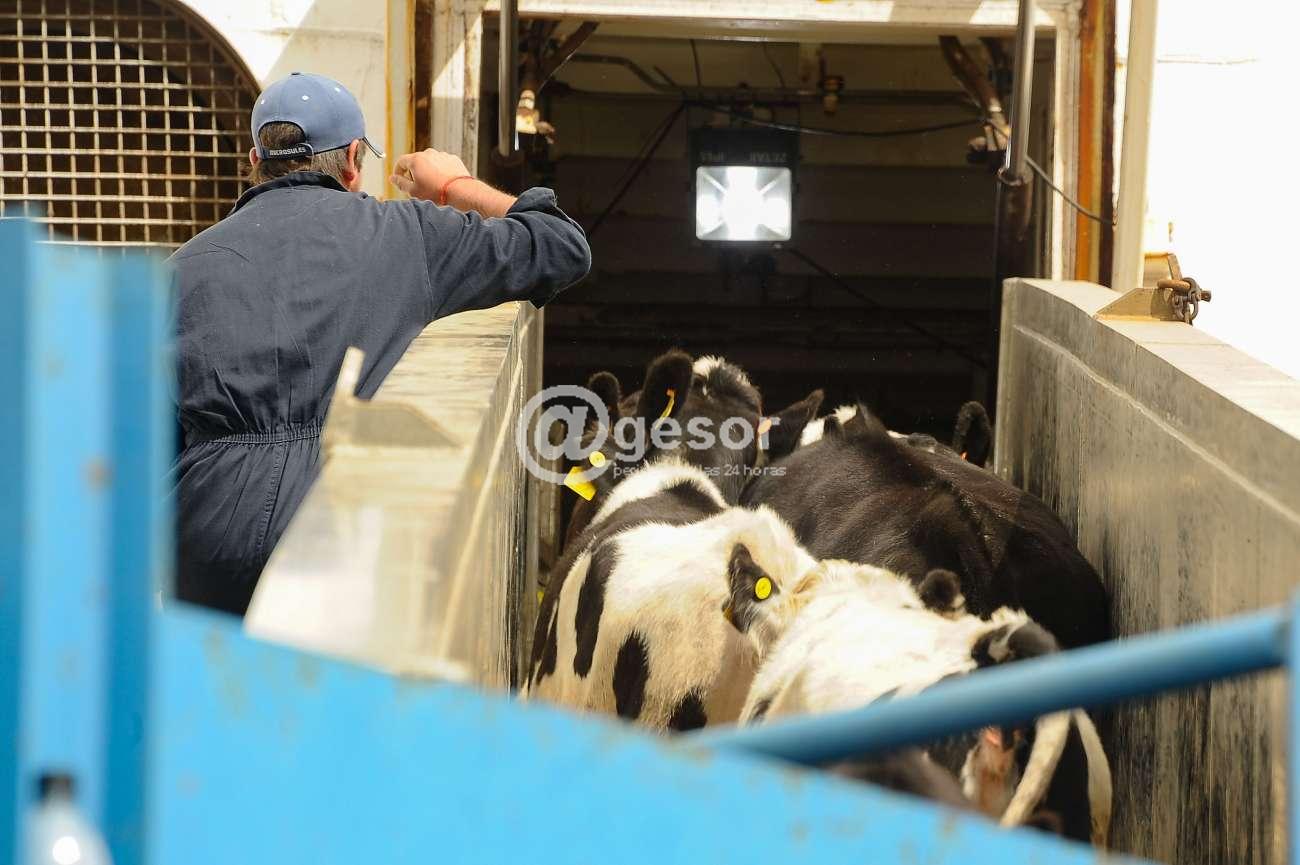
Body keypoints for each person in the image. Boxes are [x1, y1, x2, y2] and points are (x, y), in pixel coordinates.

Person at [170, 72, 591, 615]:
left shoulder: (182, 267)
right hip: (335, 522)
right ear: (352, 159)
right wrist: (454, 185)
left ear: (256, 159)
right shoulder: (407, 234)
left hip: (203, 526)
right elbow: (561, 246)